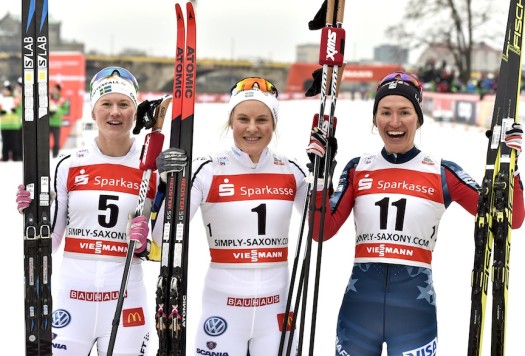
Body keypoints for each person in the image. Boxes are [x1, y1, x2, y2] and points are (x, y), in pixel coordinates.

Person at [308, 71, 525, 355]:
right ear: (375, 119)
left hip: (413, 315)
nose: (394, 122)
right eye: (385, 112)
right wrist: (321, 178)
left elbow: (510, 220)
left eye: (404, 112)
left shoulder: (442, 172)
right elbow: (321, 230)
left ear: (418, 118)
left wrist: (513, 168)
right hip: (359, 311)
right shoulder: (357, 168)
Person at [152, 77, 308, 355]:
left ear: (274, 124)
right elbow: (161, 240)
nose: (252, 128)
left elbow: (323, 229)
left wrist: (323, 178)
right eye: (243, 119)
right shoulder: (207, 170)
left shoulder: (292, 171)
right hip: (222, 313)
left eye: (262, 119)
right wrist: (165, 187)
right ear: (230, 121)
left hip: (277, 314)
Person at [16, 67, 157, 355]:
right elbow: (51, 242)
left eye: (123, 104)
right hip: (72, 303)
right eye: (105, 104)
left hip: (127, 301)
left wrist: (146, 244)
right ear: (93, 112)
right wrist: (34, 214)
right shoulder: (68, 164)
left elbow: (164, 246)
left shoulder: (150, 168)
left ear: (135, 111)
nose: (114, 112)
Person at [0, 80, 22, 161]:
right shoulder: (1, 100)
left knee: (14, 143)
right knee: (5, 143)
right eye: (3, 90)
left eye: (5, 90)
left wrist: (15, 110)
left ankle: (15, 157)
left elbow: (20, 110)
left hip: (14, 125)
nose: (4, 91)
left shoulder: (15, 99)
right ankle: (5, 157)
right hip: (4, 125)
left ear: (9, 91)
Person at [49, 83, 69, 158]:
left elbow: (65, 110)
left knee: (56, 141)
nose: (53, 90)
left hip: (56, 123)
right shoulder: (48, 97)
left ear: (59, 90)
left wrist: (56, 112)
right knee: (44, 140)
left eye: (55, 89)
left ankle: (55, 155)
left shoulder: (62, 100)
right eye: (53, 88)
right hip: (46, 123)